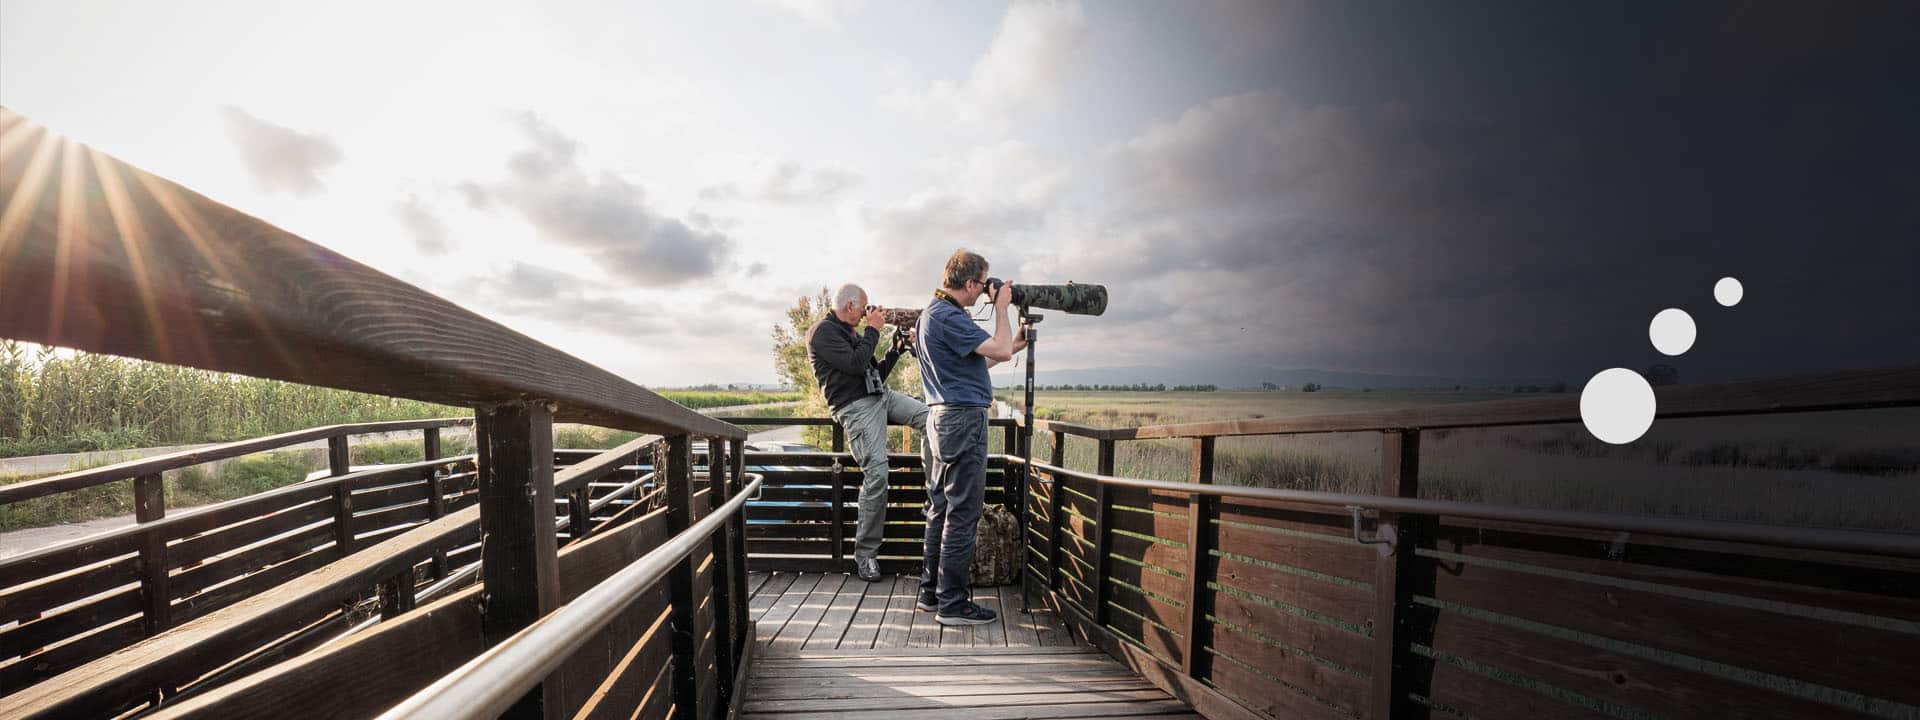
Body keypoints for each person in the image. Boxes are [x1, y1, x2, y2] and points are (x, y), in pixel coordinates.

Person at [912, 249, 1026, 626]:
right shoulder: (948, 315)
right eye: (982, 285)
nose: (984, 293)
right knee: (963, 513)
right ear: (969, 283)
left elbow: (984, 358)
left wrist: (1014, 344)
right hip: (963, 419)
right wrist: (1003, 310)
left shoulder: (934, 313)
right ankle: (953, 604)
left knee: (942, 508)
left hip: (942, 417)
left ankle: (932, 593)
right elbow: (997, 349)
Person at [806, 283, 930, 582]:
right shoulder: (822, 332)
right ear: (849, 306)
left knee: (932, 420)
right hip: (856, 408)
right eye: (864, 308)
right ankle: (865, 556)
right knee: (877, 475)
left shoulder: (850, 332)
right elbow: (855, 363)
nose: (867, 314)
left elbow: (872, 372)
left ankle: (933, 496)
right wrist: (875, 330)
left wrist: (895, 350)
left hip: (879, 396)